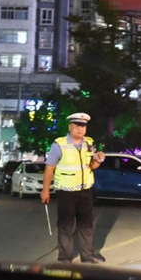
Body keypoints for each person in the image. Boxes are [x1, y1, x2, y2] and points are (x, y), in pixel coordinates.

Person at [41, 112, 106, 264]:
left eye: (83, 126)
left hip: (85, 190)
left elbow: (91, 166)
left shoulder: (89, 143)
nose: (80, 129)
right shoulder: (59, 144)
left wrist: (98, 160)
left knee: (86, 225)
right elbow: (49, 168)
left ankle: (87, 256)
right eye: (77, 126)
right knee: (66, 225)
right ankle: (65, 257)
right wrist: (45, 190)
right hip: (66, 191)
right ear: (70, 127)